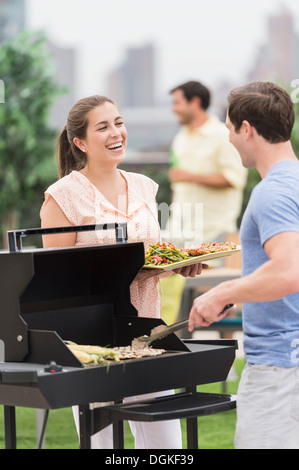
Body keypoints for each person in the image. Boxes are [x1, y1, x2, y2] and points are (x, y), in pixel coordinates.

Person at [40, 94, 204, 449]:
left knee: (166, 446)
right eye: (103, 127)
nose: (116, 132)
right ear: (79, 142)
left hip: (149, 335)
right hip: (93, 343)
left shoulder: (144, 186)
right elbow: (56, 285)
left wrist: (176, 266)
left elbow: (149, 256)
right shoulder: (62, 197)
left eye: (119, 122)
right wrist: (127, 274)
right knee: (103, 446)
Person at [188, 81, 299, 449]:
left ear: (247, 129)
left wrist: (220, 293)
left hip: (279, 370)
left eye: (229, 129)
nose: (230, 138)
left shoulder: (272, 192)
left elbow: (288, 271)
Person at [167, 80, 247, 245]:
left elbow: (235, 180)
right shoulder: (180, 138)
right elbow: (178, 186)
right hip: (181, 234)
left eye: (177, 103)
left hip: (215, 234)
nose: (173, 109)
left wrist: (190, 177)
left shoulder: (222, 136)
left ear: (195, 102)